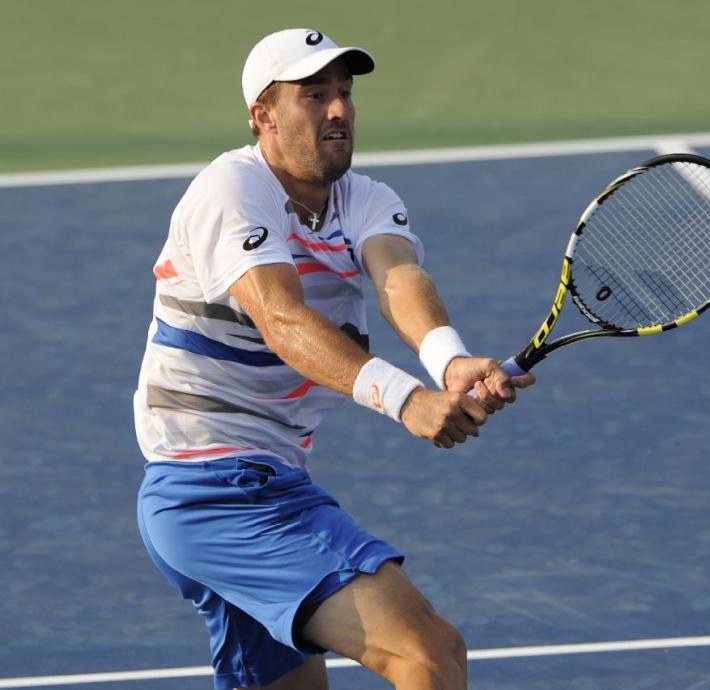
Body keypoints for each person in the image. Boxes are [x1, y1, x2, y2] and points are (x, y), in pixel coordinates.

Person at [134, 28, 534, 690]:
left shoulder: (368, 200)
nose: (339, 110)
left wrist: (448, 360)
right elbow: (282, 319)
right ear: (262, 115)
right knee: (430, 655)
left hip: (256, 483)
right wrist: (407, 399)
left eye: (344, 93)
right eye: (313, 95)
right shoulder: (231, 190)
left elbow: (397, 279)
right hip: (218, 492)